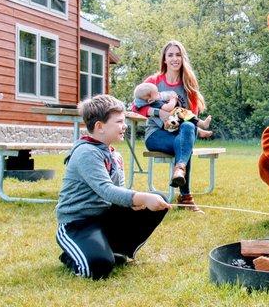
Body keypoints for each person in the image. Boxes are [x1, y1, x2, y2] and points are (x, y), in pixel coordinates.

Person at [55, 94, 171, 279]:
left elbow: (119, 193)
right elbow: (106, 190)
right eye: (118, 121)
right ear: (100, 127)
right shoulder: (86, 153)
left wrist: (135, 203)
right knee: (98, 269)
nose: (124, 125)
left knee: (159, 200)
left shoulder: (114, 155)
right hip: (78, 224)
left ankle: (117, 250)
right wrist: (142, 197)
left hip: (105, 217)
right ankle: (74, 255)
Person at [133, 40, 207, 213]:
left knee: (188, 129)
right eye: (170, 55)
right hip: (156, 135)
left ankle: (179, 169)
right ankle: (186, 198)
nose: (175, 58)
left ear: (183, 58)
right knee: (183, 147)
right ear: (164, 59)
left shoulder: (188, 84)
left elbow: (191, 116)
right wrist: (159, 113)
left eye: (178, 54)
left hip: (179, 132)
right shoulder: (154, 81)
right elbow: (135, 107)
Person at [133, 82, 212, 137]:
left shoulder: (149, 100)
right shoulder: (155, 103)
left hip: (168, 122)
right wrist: (173, 99)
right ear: (150, 100)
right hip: (169, 122)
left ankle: (199, 129)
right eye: (157, 93)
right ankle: (201, 124)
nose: (159, 94)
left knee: (184, 120)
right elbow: (168, 108)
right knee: (182, 112)